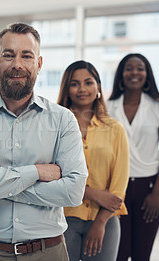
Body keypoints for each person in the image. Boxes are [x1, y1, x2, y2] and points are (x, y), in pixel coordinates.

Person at [0, 23, 88, 261]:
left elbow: (73, 192)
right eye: (8, 55)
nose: (17, 64)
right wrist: (36, 172)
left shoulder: (63, 119)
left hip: (48, 252)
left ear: (39, 63)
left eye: (26, 56)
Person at [57, 61, 129, 261]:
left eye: (88, 82)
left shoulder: (115, 129)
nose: (82, 89)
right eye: (74, 83)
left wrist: (100, 223)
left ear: (98, 86)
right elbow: (51, 175)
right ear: (66, 89)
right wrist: (92, 193)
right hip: (63, 218)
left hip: (104, 220)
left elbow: (119, 185)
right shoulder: (55, 128)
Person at [106, 53, 159, 261]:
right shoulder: (108, 107)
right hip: (118, 188)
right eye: (129, 68)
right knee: (119, 252)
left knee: (141, 255)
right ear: (121, 74)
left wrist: (156, 193)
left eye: (140, 68)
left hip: (149, 189)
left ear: (147, 74)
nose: (134, 72)